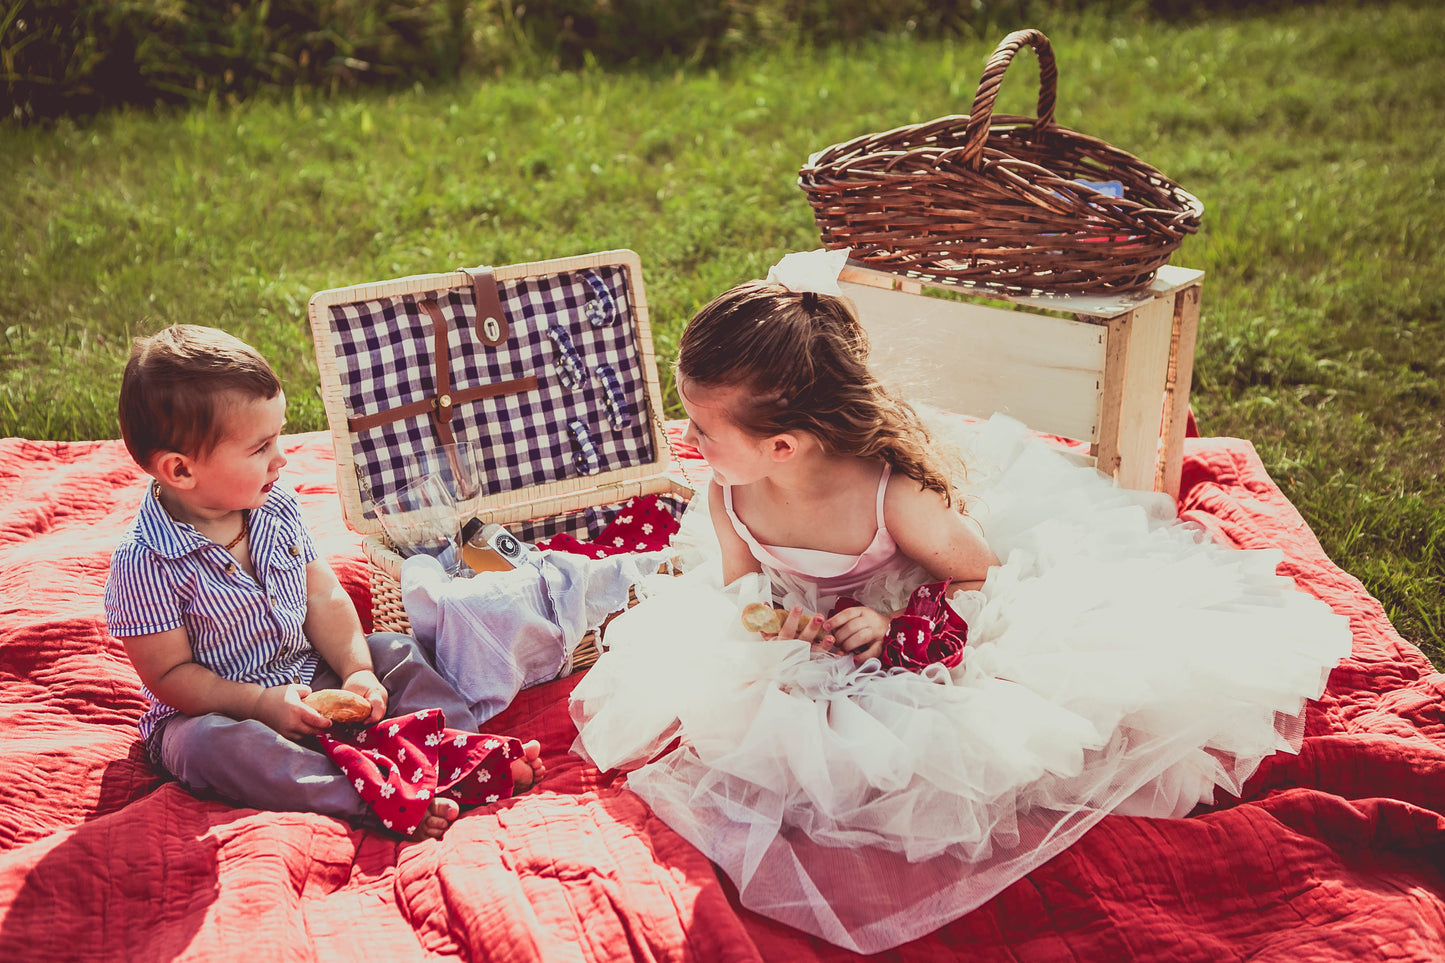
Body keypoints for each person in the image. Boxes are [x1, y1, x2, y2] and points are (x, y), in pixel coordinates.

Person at [569, 250, 1351, 953]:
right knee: (755, 722)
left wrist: (894, 620)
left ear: (784, 446)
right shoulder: (729, 494)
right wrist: (774, 621)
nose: (689, 443)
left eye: (701, 430)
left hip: (918, 601)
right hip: (811, 627)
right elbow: (740, 585)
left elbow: (978, 574)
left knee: (932, 743)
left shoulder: (891, 497)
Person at [104, 324, 543, 840]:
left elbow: (323, 594)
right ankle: (365, 796)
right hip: (221, 710)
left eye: (279, 436)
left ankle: (457, 757)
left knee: (396, 650)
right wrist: (260, 704)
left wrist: (356, 669)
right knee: (212, 748)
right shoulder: (144, 562)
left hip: (312, 673)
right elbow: (170, 675)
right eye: (261, 447)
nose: (282, 458)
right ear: (180, 470)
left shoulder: (276, 507)